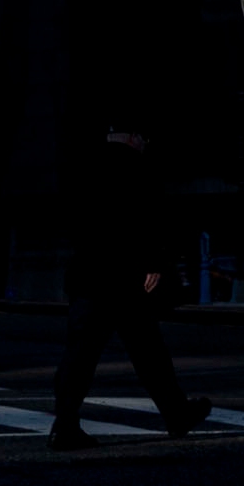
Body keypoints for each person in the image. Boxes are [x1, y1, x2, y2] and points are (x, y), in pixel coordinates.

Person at [51, 120, 211, 449]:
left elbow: (70, 220)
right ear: (134, 138)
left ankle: (64, 424)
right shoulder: (136, 168)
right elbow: (147, 218)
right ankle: (176, 413)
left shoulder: (83, 167)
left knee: (79, 356)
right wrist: (154, 262)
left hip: (88, 275)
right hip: (123, 277)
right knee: (148, 351)